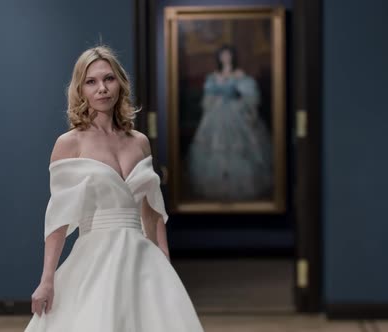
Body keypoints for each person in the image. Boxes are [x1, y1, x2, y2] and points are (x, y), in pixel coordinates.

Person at [24, 46, 203, 331]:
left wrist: (164, 263)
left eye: (108, 79)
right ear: (80, 89)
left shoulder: (140, 141)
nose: (102, 89)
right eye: (91, 81)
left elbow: (151, 211)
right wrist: (47, 280)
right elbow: (58, 220)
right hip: (96, 257)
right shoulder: (70, 144)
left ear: (120, 83)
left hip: (142, 257)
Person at [185, 45, 273, 201]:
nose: (226, 58)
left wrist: (243, 105)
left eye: (228, 55)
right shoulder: (213, 76)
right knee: (214, 149)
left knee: (240, 149)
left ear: (232, 56)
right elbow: (207, 99)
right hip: (216, 114)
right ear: (219, 58)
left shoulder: (239, 74)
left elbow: (250, 96)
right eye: (223, 55)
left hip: (235, 112)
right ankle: (218, 188)